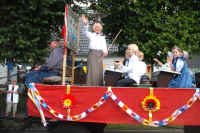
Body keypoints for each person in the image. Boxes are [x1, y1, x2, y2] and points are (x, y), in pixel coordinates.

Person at [82, 15, 108, 86]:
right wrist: (85, 24)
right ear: (94, 28)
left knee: (99, 71)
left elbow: (104, 47)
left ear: (101, 28)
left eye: (98, 27)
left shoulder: (103, 37)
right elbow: (84, 32)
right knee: (91, 70)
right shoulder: (91, 35)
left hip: (100, 55)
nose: (97, 28)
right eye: (96, 27)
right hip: (92, 54)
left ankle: (99, 86)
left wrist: (105, 52)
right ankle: (90, 85)